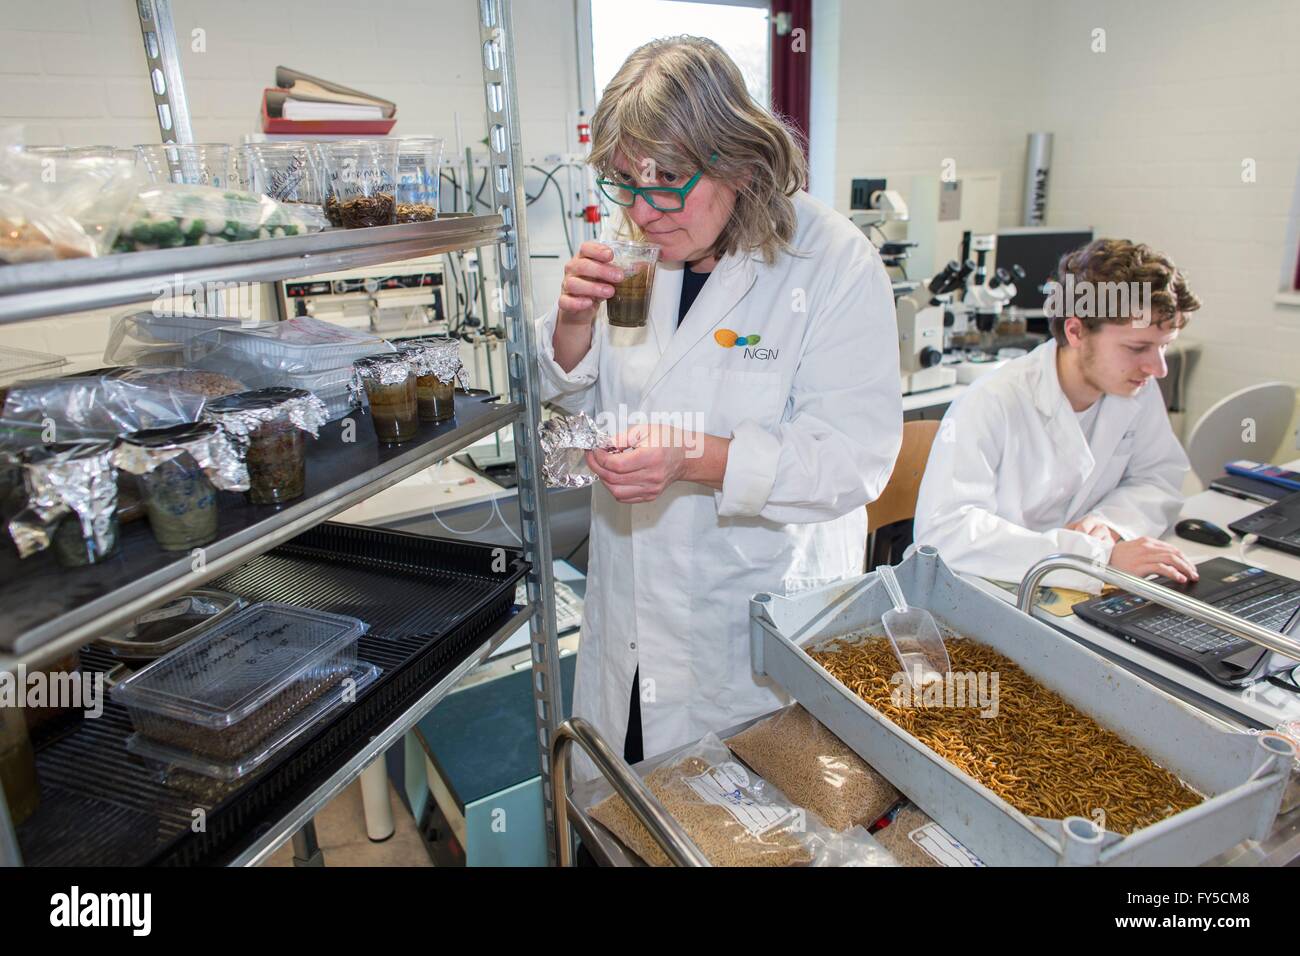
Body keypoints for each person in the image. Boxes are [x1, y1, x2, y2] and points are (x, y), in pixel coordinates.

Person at [537, 36, 902, 775]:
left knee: (753, 833)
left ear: (737, 159)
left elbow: (852, 460)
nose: (642, 209)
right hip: (636, 613)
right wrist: (571, 327)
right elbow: (575, 394)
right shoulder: (635, 241)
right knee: (627, 810)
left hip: (750, 625)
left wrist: (695, 459)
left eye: (668, 178)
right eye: (623, 182)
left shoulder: (830, 262)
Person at [913, 238, 1201, 592]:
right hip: (986, 592)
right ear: (1076, 330)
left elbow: (1158, 477)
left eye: (1164, 346)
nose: (1158, 368)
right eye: (1137, 347)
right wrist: (1094, 559)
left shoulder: (1134, 388)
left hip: (1068, 593)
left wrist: (1108, 526)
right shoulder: (993, 401)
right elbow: (946, 534)